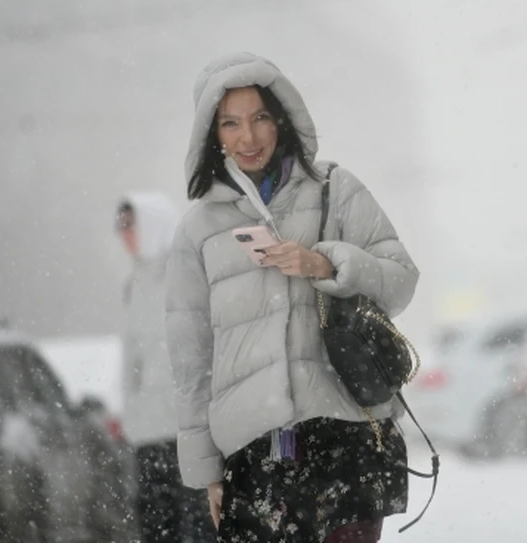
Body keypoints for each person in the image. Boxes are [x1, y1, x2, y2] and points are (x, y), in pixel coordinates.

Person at [165, 52, 419, 543]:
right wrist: (207, 474)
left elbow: (402, 280)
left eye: (260, 117)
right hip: (255, 456)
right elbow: (192, 363)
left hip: (347, 435)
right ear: (211, 134)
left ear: (282, 118)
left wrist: (327, 264)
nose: (249, 137)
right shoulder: (196, 231)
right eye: (230, 123)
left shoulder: (335, 190)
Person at [116, 193, 216, 542]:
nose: (124, 234)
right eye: (121, 227)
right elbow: (133, 358)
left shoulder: (188, 272)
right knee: (157, 525)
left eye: (131, 224)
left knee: (200, 522)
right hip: (148, 430)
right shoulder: (134, 284)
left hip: (188, 425)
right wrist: (128, 412)